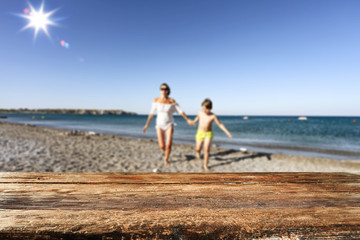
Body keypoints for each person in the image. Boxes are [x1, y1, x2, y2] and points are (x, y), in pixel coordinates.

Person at [143, 83, 194, 166]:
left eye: (165, 89)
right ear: (159, 90)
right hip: (159, 125)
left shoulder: (171, 101)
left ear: (168, 91)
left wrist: (188, 120)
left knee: (168, 144)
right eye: (162, 89)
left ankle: (166, 159)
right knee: (162, 145)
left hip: (169, 124)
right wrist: (146, 124)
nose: (163, 90)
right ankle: (164, 152)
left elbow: (181, 111)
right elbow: (151, 113)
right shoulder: (155, 100)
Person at [192, 98, 232, 170]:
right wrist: (194, 122)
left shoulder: (213, 116)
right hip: (200, 133)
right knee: (198, 148)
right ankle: (198, 153)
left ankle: (205, 165)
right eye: (203, 108)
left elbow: (220, 124)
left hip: (208, 134)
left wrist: (227, 132)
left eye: (205, 109)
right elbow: (197, 118)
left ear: (209, 108)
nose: (203, 110)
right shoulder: (200, 112)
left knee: (207, 150)